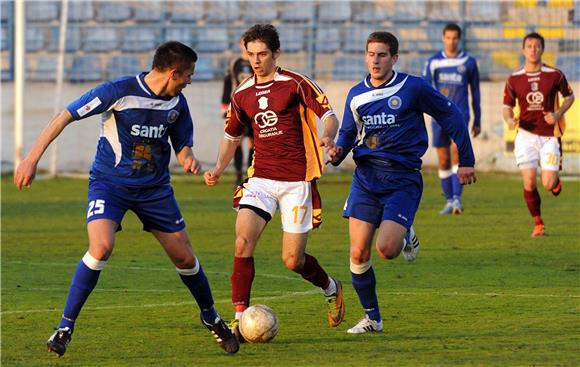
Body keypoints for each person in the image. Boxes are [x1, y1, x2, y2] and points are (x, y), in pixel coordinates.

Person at [13, 42, 239, 355]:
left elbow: (182, 145)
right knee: (101, 247)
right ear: (174, 72)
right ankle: (65, 326)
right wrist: (30, 159)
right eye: (188, 75)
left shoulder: (177, 104)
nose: (190, 80)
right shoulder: (118, 91)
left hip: (155, 190)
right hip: (110, 185)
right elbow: (65, 116)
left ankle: (210, 317)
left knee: (185, 258)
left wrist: (189, 159)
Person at [327, 32, 476, 334]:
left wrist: (467, 160)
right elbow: (346, 135)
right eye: (371, 54)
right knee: (358, 254)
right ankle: (372, 319)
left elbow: (452, 115)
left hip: (403, 179)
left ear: (394, 58)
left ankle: (405, 231)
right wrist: (336, 151)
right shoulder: (357, 94)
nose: (375, 60)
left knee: (387, 250)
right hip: (366, 179)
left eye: (382, 55)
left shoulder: (413, 88)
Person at [204, 24, 345, 340]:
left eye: (263, 54)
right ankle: (239, 322)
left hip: (297, 181)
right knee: (242, 241)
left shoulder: (294, 84)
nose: (256, 60)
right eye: (251, 54)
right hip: (261, 180)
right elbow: (231, 136)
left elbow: (329, 114)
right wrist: (217, 167)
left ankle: (331, 287)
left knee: (293, 261)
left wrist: (327, 135)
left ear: (276, 53)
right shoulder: (242, 93)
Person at [502, 32, 575, 237]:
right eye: (529, 46)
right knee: (529, 181)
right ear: (523, 49)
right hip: (525, 135)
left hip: (550, 135)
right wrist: (509, 119)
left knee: (549, 183)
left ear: (543, 49)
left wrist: (558, 113)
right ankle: (538, 223)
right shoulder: (514, 78)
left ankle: (555, 183)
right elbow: (506, 107)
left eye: (537, 46)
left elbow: (570, 97)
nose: (533, 49)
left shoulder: (555, 75)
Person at [423, 23, 481, 215]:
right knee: (443, 158)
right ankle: (449, 200)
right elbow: (425, 90)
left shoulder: (469, 62)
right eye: (448, 37)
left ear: (460, 39)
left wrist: (478, 119)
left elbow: (475, 92)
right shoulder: (433, 62)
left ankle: (457, 198)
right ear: (443, 38)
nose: (451, 41)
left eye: (455, 38)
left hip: (461, 115)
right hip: (439, 116)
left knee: (457, 154)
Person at [221, 38, 254, 186]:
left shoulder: (256, 62)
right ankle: (238, 176)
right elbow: (227, 84)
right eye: (244, 43)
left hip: (254, 108)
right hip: (238, 108)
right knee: (236, 142)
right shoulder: (235, 63)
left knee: (253, 144)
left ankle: (251, 176)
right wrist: (224, 105)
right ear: (241, 45)